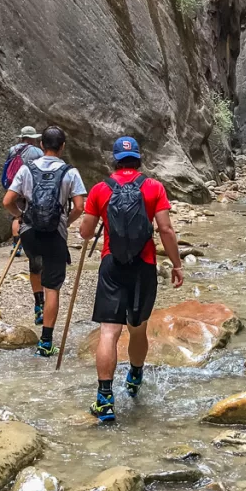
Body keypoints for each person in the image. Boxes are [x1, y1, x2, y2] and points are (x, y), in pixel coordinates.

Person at [79, 136, 184, 423]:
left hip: (112, 265)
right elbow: (165, 229)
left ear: (114, 159)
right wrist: (176, 264)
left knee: (109, 332)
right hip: (143, 266)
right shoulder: (153, 188)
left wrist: (93, 222)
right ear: (139, 159)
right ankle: (135, 377)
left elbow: (86, 232)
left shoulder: (101, 189)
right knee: (138, 329)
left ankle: (104, 401)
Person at [2, 125, 86, 357]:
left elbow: (8, 201)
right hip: (55, 235)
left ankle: (37, 304)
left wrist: (21, 216)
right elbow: (80, 207)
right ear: (62, 147)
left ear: (42, 145)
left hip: (29, 232)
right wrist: (66, 222)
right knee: (54, 288)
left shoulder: (27, 169)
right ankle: (46, 342)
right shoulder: (70, 172)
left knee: (35, 263)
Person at [2, 127, 45, 255]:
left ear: (22, 137)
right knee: (34, 212)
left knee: (17, 215)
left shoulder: (13, 149)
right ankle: (34, 242)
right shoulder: (37, 151)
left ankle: (16, 246)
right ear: (33, 138)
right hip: (32, 186)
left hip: (15, 185)